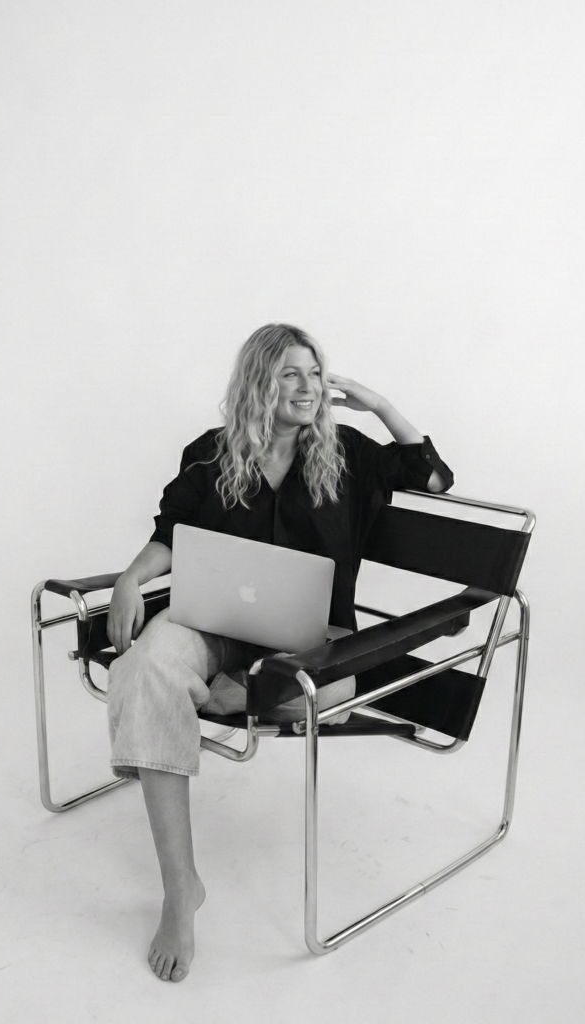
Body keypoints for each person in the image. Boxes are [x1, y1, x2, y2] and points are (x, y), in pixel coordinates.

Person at [106, 324, 454, 982]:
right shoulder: (210, 454)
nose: (307, 386)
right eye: (290, 373)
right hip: (216, 623)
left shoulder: (347, 454)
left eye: (315, 373)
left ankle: (208, 700)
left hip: (310, 644)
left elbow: (432, 477)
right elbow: (171, 533)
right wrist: (130, 579)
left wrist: (377, 403)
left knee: (328, 689)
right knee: (147, 666)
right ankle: (181, 890)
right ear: (258, 382)